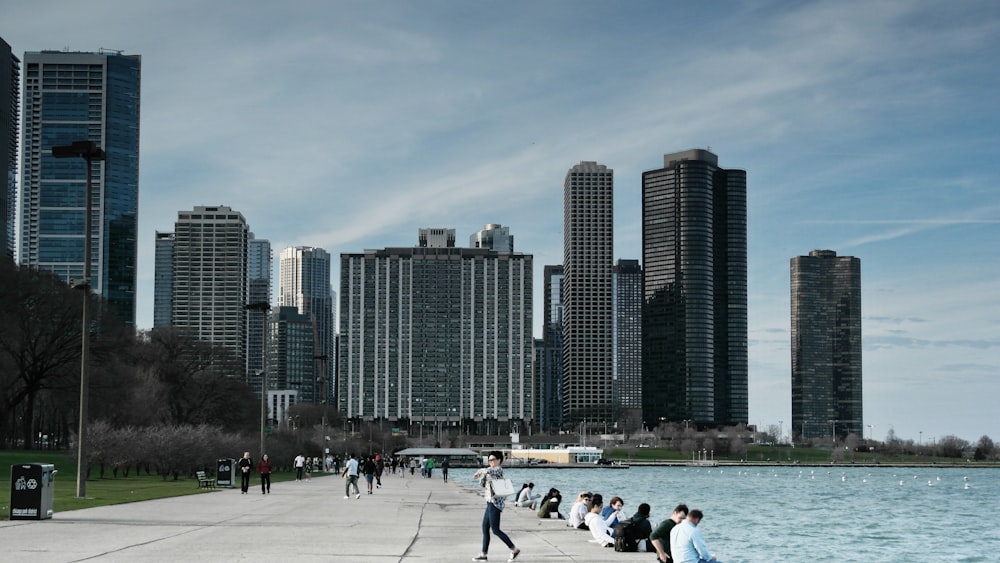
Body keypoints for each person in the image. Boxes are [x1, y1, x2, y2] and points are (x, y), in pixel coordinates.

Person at [471, 450, 520, 562]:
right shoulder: (490, 471)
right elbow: (483, 484)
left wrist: (479, 472)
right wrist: (481, 477)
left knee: (495, 530)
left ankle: (514, 549)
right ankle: (483, 554)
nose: (490, 462)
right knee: (485, 528)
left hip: (496, 504)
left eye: (493, 460)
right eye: (489, 460)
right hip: (489, 502)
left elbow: (488, 470)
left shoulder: (498, 470)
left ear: (499, 460)